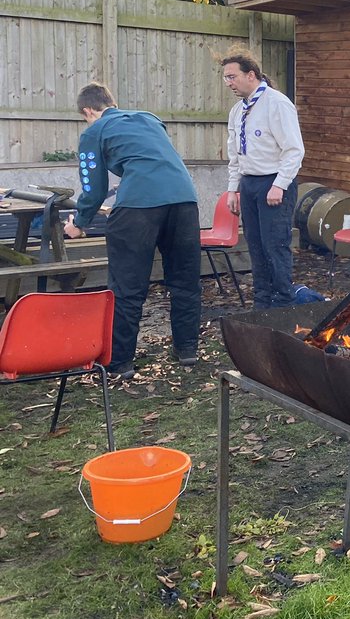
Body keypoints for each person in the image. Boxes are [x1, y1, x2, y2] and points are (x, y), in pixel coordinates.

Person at [64, 83, 201, 380]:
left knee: (127, 286)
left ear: (89, 111)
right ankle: (187, 349)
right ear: (111, 102)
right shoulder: (149, 118)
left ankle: (121, 362)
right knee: (185, 280)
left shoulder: (94, 131)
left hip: (138, 208)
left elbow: (93, 187)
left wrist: (79, 223)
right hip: (185, 200)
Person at [221, 50, 305, 309]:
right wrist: (233, 190)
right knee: (255, 248)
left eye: (232, 77)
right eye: (225, 78)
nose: (229, 83)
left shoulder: (277, 104)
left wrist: (279, 184)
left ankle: (283, 303)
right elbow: (235, 154)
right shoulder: (238, 111)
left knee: (275, 247)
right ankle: (262, 303)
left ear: (251, 74)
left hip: (274, 183)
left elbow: (294, 149)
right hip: (249, 184)